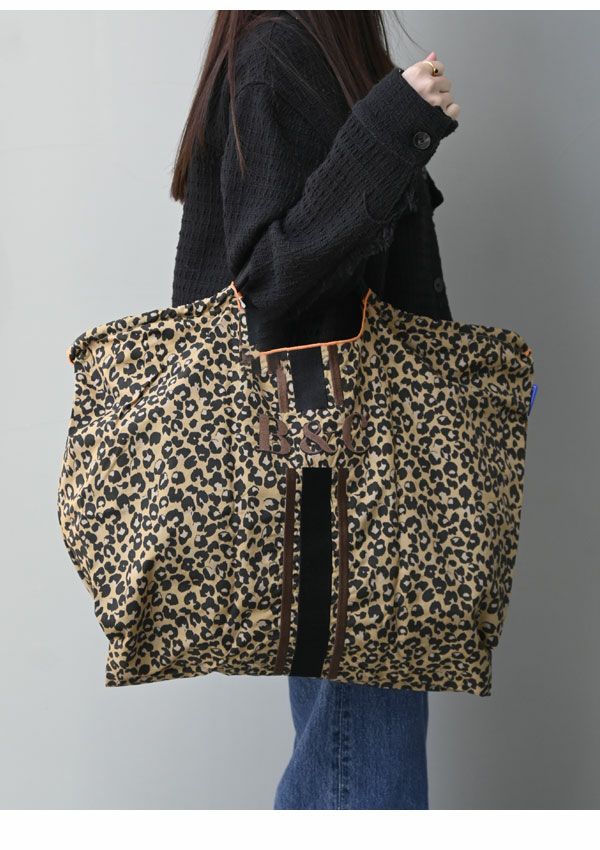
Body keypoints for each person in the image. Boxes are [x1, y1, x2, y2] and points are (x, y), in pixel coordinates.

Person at [170, 10, 460, 810]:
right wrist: (388, 128)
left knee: (350, 755)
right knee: (362, 768)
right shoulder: (276, 51)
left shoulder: (319, 49)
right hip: (339, 470)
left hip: (352, 462)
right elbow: (265, 287)